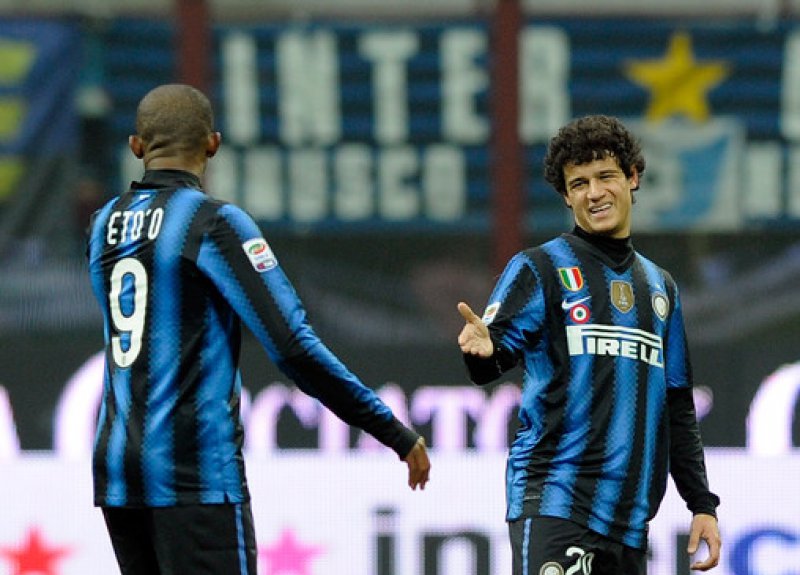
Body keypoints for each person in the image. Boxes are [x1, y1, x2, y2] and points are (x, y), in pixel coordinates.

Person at [86, 84, 430, 575]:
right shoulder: (213, 224)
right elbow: (293, 347)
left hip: (119, 475)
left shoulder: (101, 226)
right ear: (213, 144)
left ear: (137, 147)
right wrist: (390, 430)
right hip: (194, 472)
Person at [457, 115, 720, 574]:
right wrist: (481, 351)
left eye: (605, 177)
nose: (594, 193)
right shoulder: (539, 269)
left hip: (630, 524)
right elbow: (491, 362)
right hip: (554, 502)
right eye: (579, 183)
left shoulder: (660, 288)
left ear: (632, 178)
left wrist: (702, 504)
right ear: (566, 195)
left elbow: (676, 405)